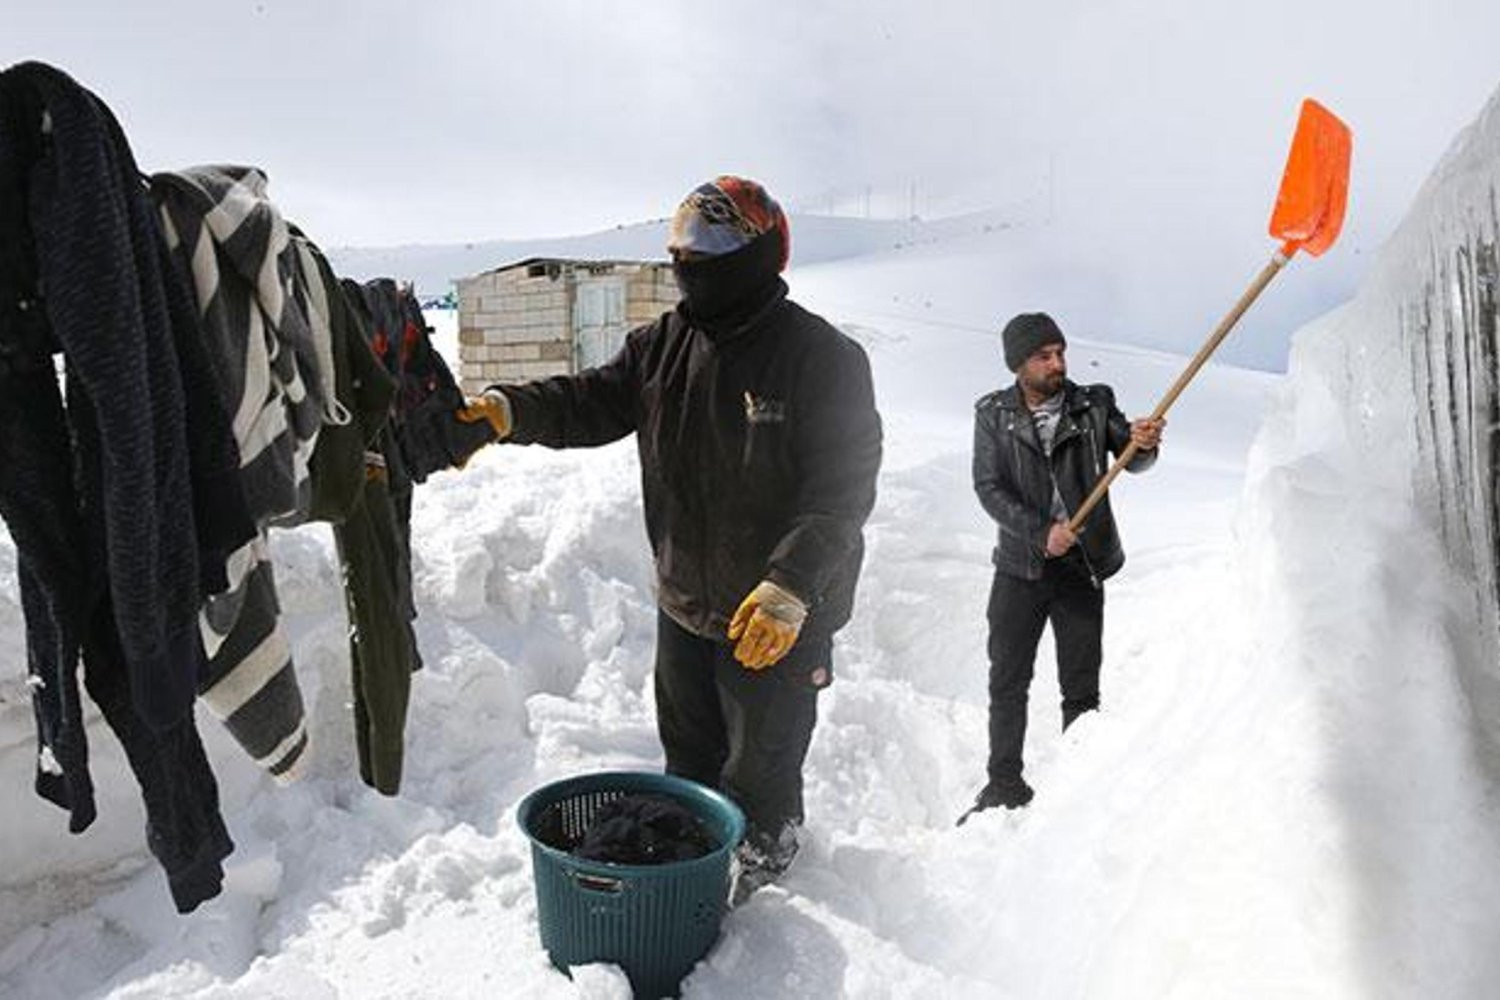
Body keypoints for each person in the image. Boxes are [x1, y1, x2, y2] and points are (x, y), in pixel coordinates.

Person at [458, 176, 882, 898]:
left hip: (779, 611)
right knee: (689, 759)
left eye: (714, 246)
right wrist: (508, 412)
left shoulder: (820, 357)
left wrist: (790, 584)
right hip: (686, 600)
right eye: (684, 247)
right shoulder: (662, 345)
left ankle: (770, 892)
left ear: (761, 252)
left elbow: (841, 491)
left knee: (763, 769)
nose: (693, 262)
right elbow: (590, 400)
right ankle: (689, 877)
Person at [962, 312, 1163, 822]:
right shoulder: (993, 414)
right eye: (1043, 356)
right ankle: (1003, 784)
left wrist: (1144, 442)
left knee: (1081, 686)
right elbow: (989, 488)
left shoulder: (1092, 403)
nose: (1058, 364)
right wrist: (1038, 532)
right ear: (1018, 364)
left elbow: (1130, 459)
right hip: (1018, 570)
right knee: (1007, 681)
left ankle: (1081, 797)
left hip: (1080, 566)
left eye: (1060, 352)